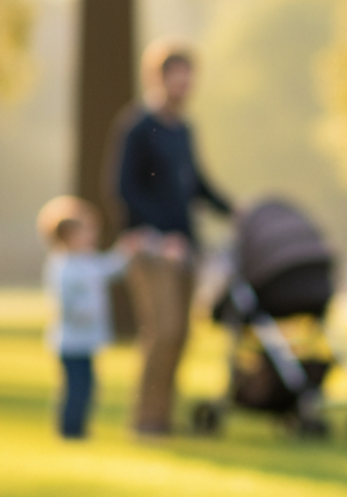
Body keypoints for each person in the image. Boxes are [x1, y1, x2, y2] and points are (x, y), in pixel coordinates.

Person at [115, 38, 233, 436]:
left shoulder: (183, 129)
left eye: (189, 79)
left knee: (181, 335)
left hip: (184, 250)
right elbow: (124, 188)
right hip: (152, 249)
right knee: (162, 330)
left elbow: (195, 184)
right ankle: (145, 419)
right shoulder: (138, 127)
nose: (184, 86)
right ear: (159, 78)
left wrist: (236, 210)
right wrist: (159, 234)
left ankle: (162, 417)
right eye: (177, 78)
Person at [37, 196, 140, 439]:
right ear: (69, 237)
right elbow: (66, 302)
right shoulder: (63, 267)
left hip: (86, 340)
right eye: (85, 232)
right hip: (71, 341)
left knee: (88, 386)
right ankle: (70, 430)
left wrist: (128, 250)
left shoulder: (87, 261)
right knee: (76, 388)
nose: (92, 237)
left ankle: (78, 427)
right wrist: (84, 313)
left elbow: (110, 267)